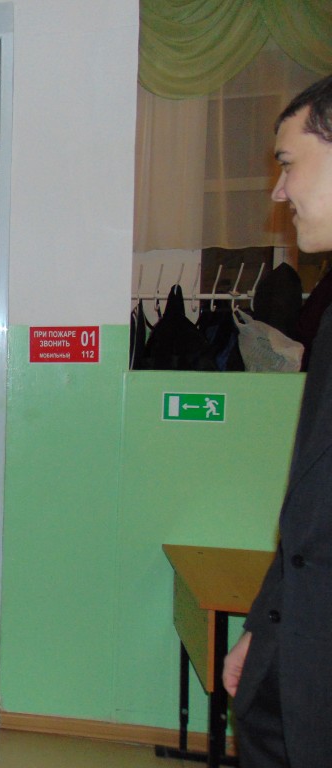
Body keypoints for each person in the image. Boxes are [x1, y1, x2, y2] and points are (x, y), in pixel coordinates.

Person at [222, 74, 332, 768]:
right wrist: (263, 629)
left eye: (288, 164)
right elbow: (311, 514)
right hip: (297, 656)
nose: (278, 192)